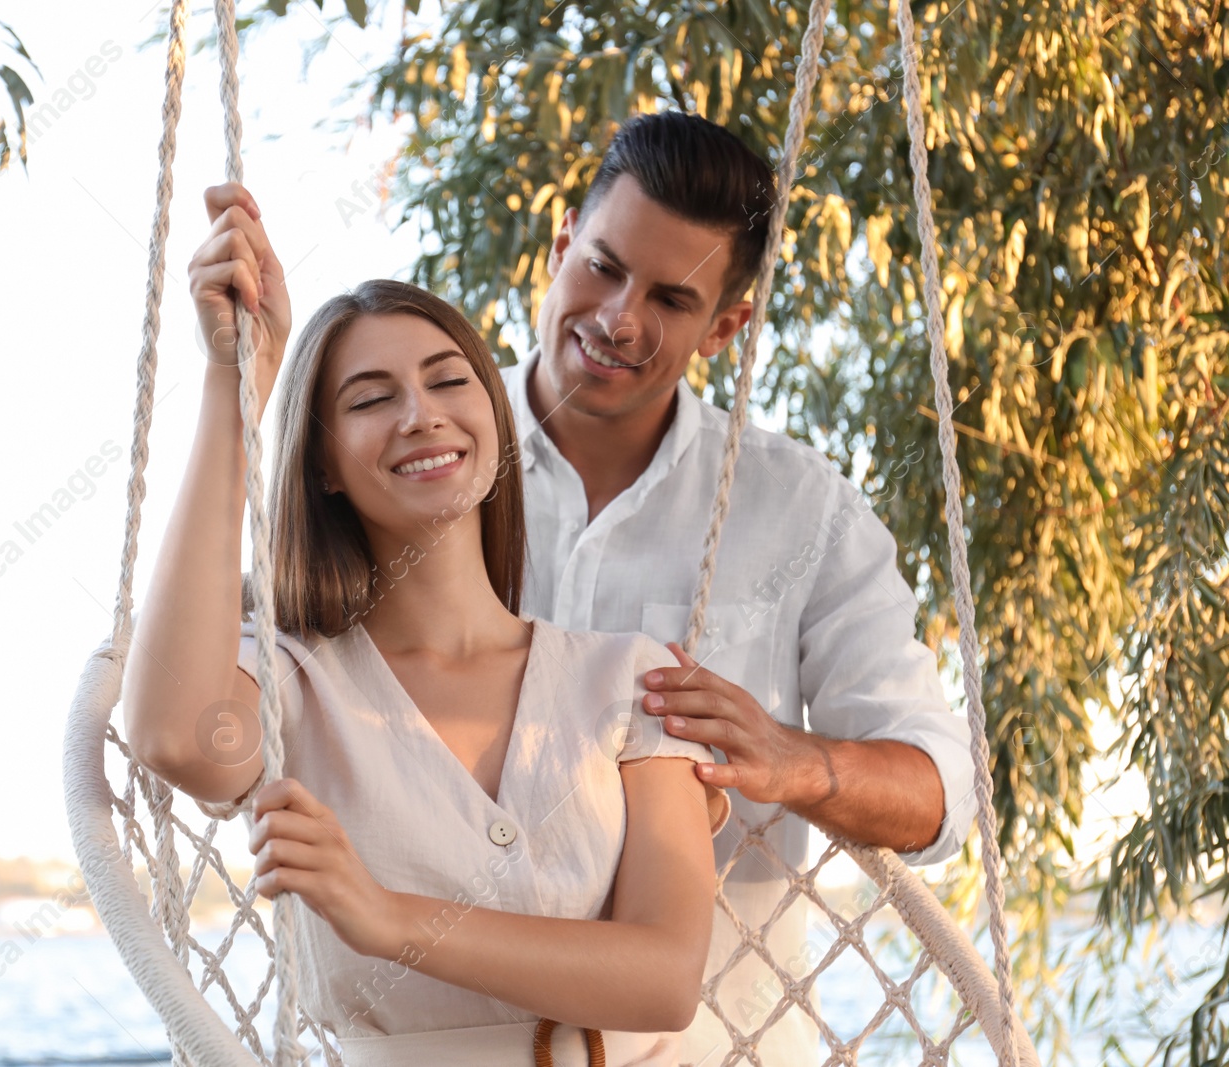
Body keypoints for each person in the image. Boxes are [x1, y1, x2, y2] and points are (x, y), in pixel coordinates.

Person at [122, 183, 733, 1066]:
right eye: (370, 399)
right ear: (323, 464)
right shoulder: (294, 679)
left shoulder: (630, 678)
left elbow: (665, 976)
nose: (421, 413)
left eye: (450, 381)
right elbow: (173, 735)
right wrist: (235, 385)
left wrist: (385, 916)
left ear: (492, 414)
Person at [502, 109, 978, 1061]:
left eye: (672, 300)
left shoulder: (802, 511)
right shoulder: (418, 465)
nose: (619, 318)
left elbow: (940, 794)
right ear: (561, 246)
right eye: (602, 266)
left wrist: (791, 759)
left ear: (726, 326)